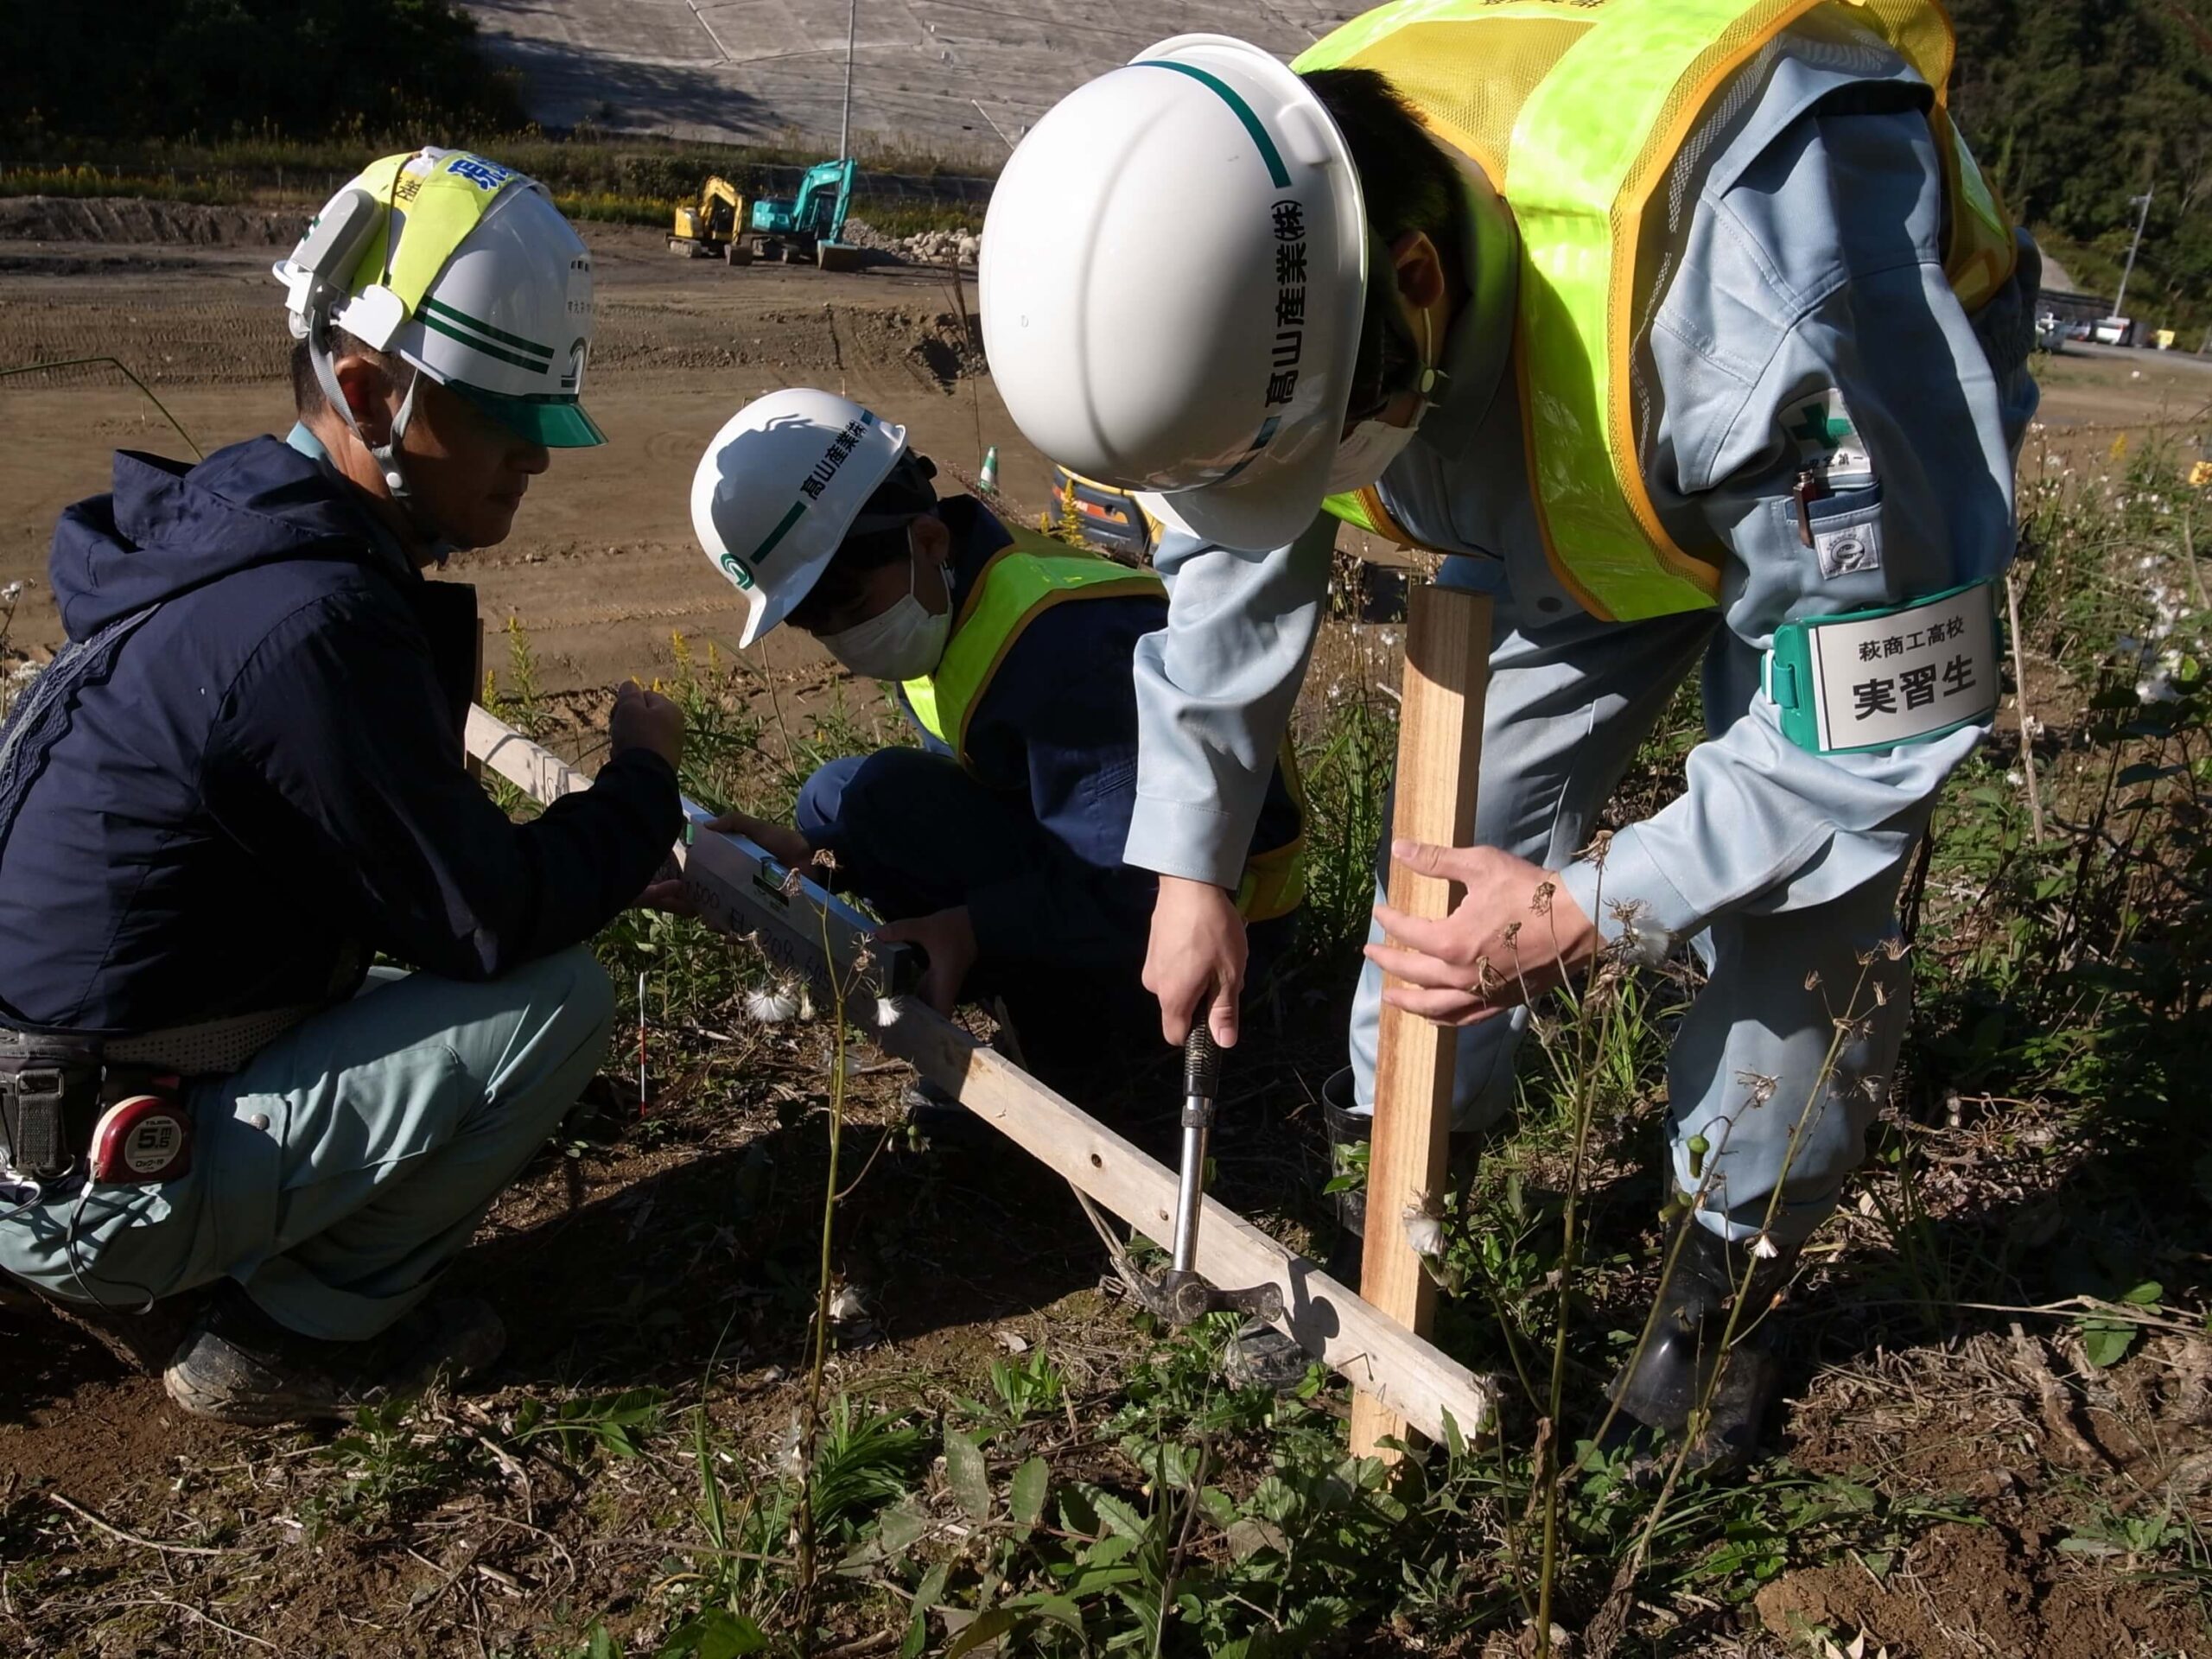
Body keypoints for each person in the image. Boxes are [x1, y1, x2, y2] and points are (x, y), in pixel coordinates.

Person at [978, 6, 2040, 1467]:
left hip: (1842, 448)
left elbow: (1879, 701)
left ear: (1411, 284)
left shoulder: (1755, 303)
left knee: (1807, 924)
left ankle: (1721, 1285)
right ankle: (1404, 1211)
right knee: (1441, 885)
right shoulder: (1270, 219)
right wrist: (1191, 863)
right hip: (1590, 468)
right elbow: (1231, 560)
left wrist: (1596, 907)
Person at [0, 149, 686, 1424]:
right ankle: (295, 1335)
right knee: (549, 1005)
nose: (536, 460)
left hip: (46, 1110)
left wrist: (614, 847)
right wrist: (641, 783)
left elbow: (401, 869)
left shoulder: (228, 541)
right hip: (94, 1180)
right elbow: (489, 918)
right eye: (508, 418)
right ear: (369, 389)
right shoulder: (309, 624)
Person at [689, 388, 1305, 1092]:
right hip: (1102, 853)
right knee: (841, 801)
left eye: (852, 611)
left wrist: (977, 926)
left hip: (1209, 931)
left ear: (925, 539)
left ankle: (1098, 1051)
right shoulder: (953, 588)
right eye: (819, 627)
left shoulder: (1060, 657)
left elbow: (1138, 884)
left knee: (880, 801)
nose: (844, 643)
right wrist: (812, 858)